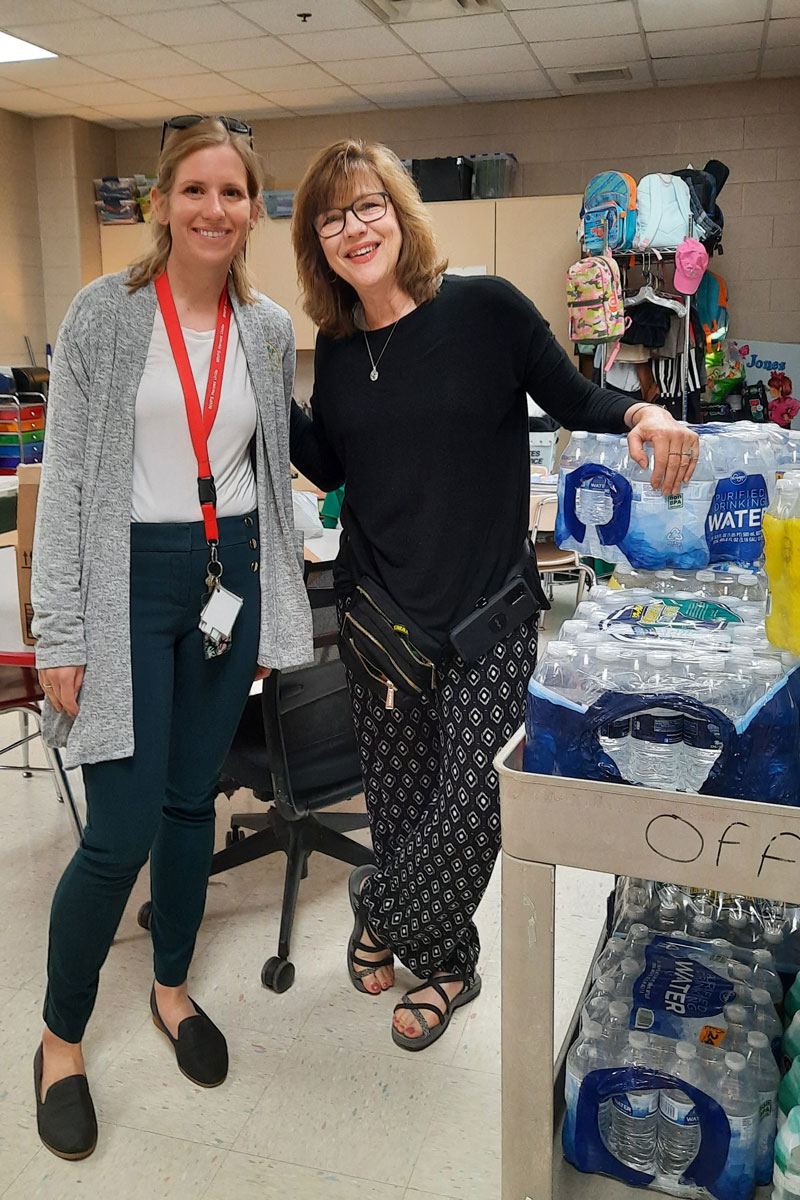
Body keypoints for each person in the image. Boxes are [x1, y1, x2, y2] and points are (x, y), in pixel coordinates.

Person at [289, 139, 699, 1051]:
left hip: (488, 618)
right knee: (399, 805)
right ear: (317, 244)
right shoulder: (339, 346)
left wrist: (643, 411)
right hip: (382, 620)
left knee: (481, 802)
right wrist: (261, 402)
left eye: (368, 207)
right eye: (331, 218)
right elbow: (332, 463)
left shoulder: (484, 309)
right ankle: (448, 966)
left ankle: (379, 908)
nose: (354, 229)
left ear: (399, 211)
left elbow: (574, 394)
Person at [30, 116, 311, 1160]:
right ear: (160, 202)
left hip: (224, 579)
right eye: (193, 189)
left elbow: (269, 478)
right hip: (124, 586)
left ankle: (171, 987)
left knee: (193, 802)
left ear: (252, 207)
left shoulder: (267, 326)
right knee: (120, 830)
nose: (213, 209)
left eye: (232, 192)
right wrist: (60, 630)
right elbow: (63, 492)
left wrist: (272, 602)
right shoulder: (104, 316)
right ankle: (60, 1041)